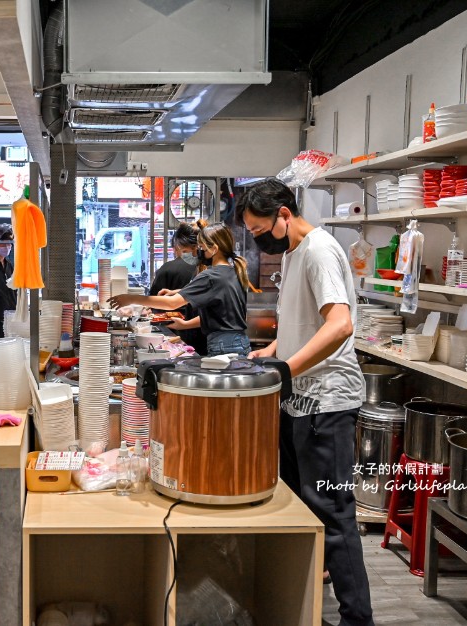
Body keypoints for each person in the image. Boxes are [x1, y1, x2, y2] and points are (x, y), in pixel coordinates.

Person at [241, 178, 374, 626]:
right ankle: (302, 606)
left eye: (261, 231)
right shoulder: (296, 253)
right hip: (301, 401)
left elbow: (339, 325)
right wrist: (274, 348)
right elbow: (306, 319)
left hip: (328, 402)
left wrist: (286, 368)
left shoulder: (318, 250)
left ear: (284, 214)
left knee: (334, 519)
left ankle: (358, 620)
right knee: (302, 506)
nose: (259, 241)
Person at [110, 222, 251, 357]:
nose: (198, 253)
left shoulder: (211, 276)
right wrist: (180, 302)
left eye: (201, 248)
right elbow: (223, 314)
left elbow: (172, 303)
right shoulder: (235, 273)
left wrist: (131, 298)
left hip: (223, 345)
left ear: (214, 249)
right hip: (240, 342)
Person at [149, 222, 207, 355]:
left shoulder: (210, 272)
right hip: (204, 340)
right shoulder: (202, 269)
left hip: (182, 336)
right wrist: (174, 292)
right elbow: (195, 291)